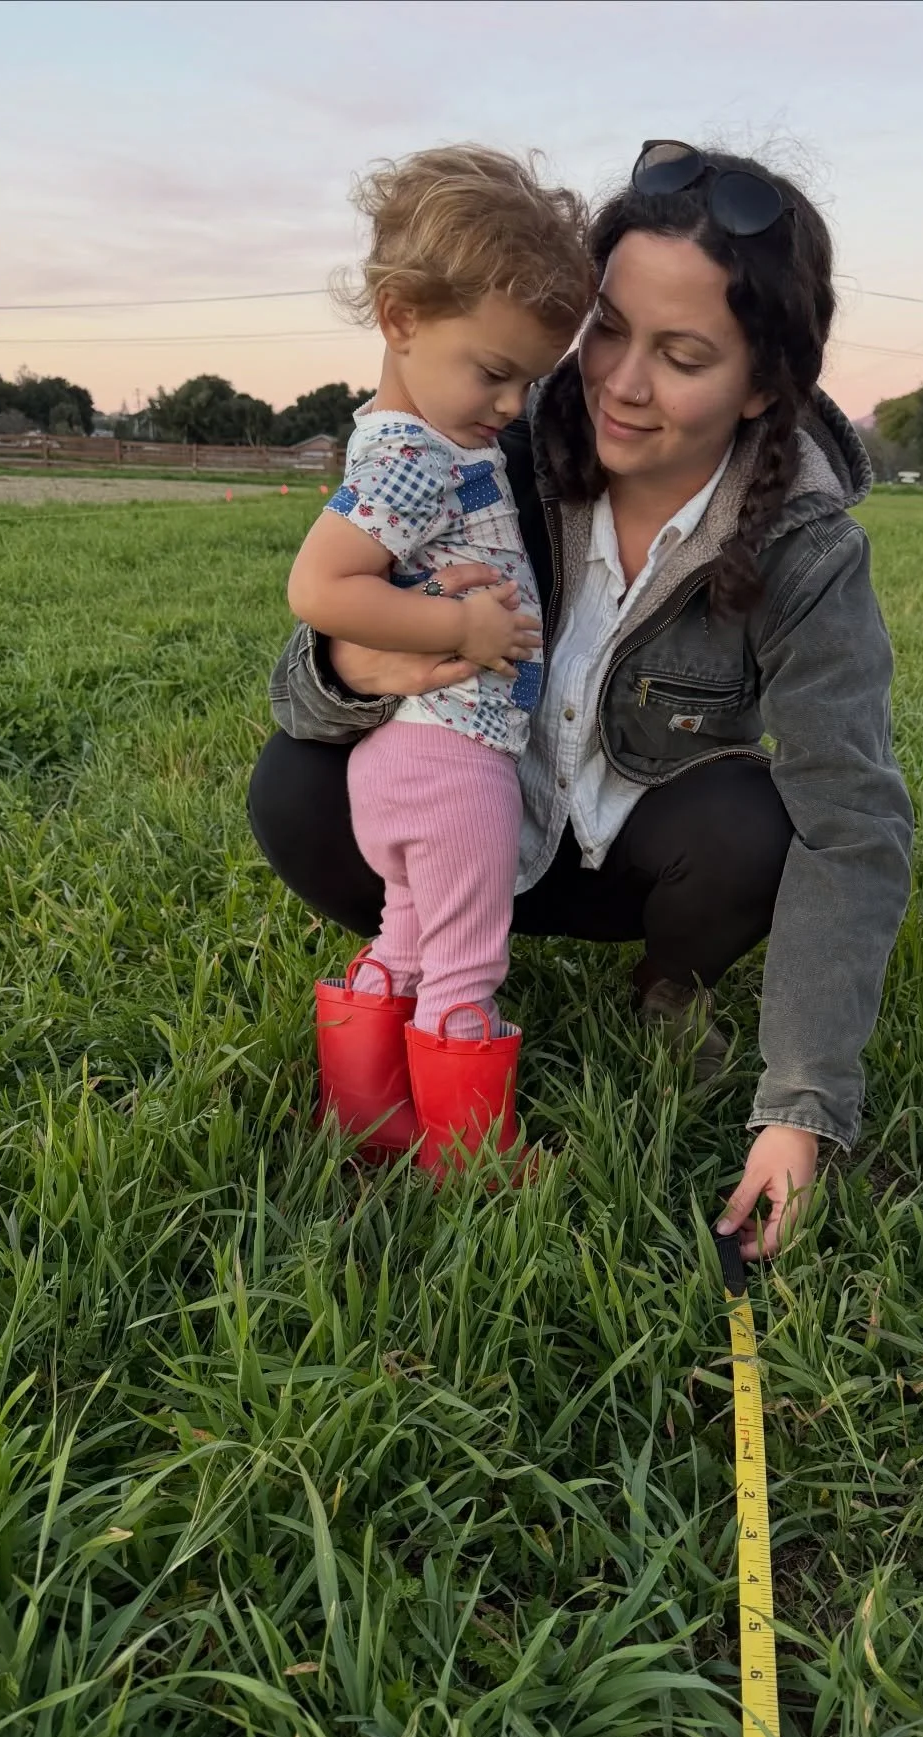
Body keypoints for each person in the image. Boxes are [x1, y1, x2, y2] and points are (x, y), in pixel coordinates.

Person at [252, 140, 915, 1256]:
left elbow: (853, 823)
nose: (620, 383)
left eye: (683, 355)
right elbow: (303, 664)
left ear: (763, 386)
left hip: (634, 856)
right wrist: (365, 665)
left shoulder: (805, 546)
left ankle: (669, 987)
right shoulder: (487, 429)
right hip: (468, 814)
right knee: (297, 782)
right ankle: (414, 1022)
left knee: (755, 824)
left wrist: (800, 1107)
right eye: (608, 328)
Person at [285, 146, 592, 1172]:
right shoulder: (414, 456)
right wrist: (461, 633)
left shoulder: (411, 438)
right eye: (494, 373)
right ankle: (469, 1160)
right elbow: (320, 587)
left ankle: (367, 1122)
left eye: (527, 381)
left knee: (406, 941)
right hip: (454, 760)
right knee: (465, 965)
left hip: (408, 757)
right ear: (401, 317)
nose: (510, 405)